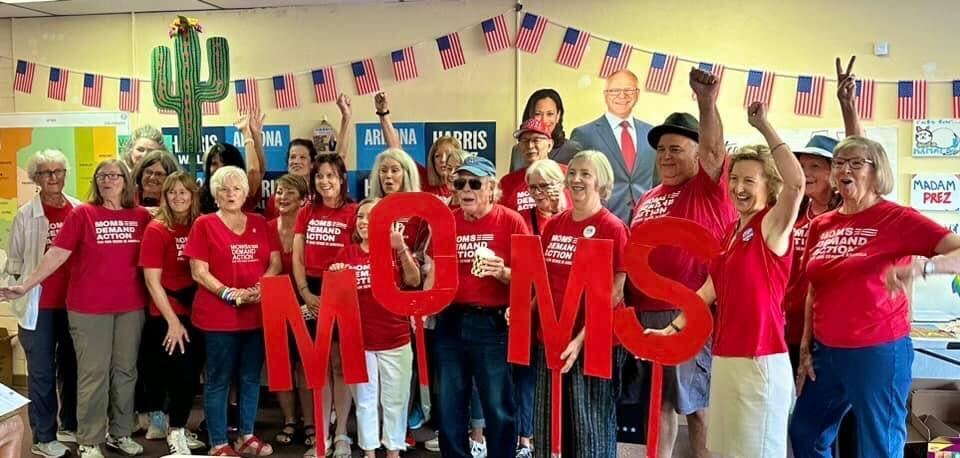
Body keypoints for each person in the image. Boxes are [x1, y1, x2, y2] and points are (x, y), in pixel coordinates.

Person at [646, 101, 805, 457]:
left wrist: (764, 125)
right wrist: (671, 332)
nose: (738, 187)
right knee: (724, 451)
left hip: (760, 361)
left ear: (769, 186)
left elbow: (796, 184)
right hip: (725, 358)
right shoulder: (733, 233)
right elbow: (706, 292)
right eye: (734, 179)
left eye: (749, 180)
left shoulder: (772, 226)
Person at [788, 132, 960, 456]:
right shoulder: (821, 225)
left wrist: (923, 269)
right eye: (839, 163)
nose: (844, 170)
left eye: (855, 162)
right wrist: (806, 350)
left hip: (878, 351)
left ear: (876, 170)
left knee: (877, 445)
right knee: (806, 433)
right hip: (826, 353)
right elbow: (814, 289)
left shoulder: (899, 218)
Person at [0, 159, 151, 458]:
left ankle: (119, 433)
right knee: (92, 375)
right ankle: (90, 440)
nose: (108, 181)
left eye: (114, 175)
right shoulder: (84, 213)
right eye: (102, 176)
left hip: (131, 307)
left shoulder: (141, 216)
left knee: (125, 372)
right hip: (89, 309)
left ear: (126, 180)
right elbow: (57, 254)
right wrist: (25, 285)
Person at [622, 68, 734, 458]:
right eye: (662, 149)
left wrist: (706, 101)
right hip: (646, 312)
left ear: (696, 153)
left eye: (676, 149)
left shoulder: (708, 187)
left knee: (696, 404)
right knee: (659, 404)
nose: (666, 156)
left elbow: (717, 150)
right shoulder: (649, 196)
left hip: (690, 311)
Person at [527, 150, 629, 457]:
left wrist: (581, 339)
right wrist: (523, 310)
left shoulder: (613, 228)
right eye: (572, 173)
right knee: (551, 425)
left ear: (601, 181)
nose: (576, 179)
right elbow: (543, 281)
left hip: (594, 343)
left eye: (585, 173)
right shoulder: (555, 225)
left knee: (590, 428)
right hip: (554, 338)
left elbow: (616, 292)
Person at [429, 156, 528, 458]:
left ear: (491, 187)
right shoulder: (448, 221)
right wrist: (424, 303)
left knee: (498, 407)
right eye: (460, 184)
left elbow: (529, 278)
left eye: (474, 183)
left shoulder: (511, 220)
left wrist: (503, 273)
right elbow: (434, 269)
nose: (466, 189)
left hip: (491, 323)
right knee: (448, 406)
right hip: (450, 321)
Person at [184, 165, 282, 456]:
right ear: (215, 193)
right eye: (224, 189)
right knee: (219, 379)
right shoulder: (204, 224)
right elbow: (198, 271)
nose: (230, 193)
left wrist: (260, 289)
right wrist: (228, 293)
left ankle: (247, 436)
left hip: (256, 313)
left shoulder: (260, 222)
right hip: (218, 316)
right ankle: (219, 443)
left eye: (236, 188)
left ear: (245, 192)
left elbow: (275, 263)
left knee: (251, 376)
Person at [4, 149, 81, 458]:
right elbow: (17, 262)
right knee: (41, 372)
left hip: (75, 303)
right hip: (40, 306)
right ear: (36, 178)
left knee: (73, 368)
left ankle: (69, 426)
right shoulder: (25, 214)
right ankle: (44, 436)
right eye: (46, 173)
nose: (53, 177)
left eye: (59, 171)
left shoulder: (79, 208)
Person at [331, 198, 419, 458]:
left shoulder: (394, 249)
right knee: (366, 403)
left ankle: (393, 452)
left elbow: (414, 281)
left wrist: (401, 248)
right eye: (360, 216)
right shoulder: (346, 253)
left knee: (395, 401)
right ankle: (369, 452)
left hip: (396, 338)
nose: (364, 221)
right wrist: (336, 273)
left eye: (371, 216)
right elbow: (335, 299)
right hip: (360, 340)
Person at [292, 152, 358, 458]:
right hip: (312, 291)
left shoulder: (353, 211)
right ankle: (322, 434)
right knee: (316, 366)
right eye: (320, 176)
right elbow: (297, 255)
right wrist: (305, 292)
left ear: (342, 178)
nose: (325, 181)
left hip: (343, 292)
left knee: (339, 365)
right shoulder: (307, 211)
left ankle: (342, 432)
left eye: (331, 175)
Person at [138, 171, 206, 455]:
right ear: (165, 196)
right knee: (179, 373)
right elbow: (152, 281)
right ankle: (175, 431)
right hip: (166, 312)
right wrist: (173, 322)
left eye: (184, 192)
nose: (178, 198)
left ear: (193, 195)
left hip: (197, 309)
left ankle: (178, 427)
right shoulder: (157, 229)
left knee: (191, 374)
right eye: (172, 192)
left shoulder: (199, 225)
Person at [271, 173, 322, 456]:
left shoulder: (311, 228)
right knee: (281, 364)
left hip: (307, 304)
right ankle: (289, 420)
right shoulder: (266, 228)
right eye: (279, 191)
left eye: (290, 192)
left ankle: (311, 422)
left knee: (306, 364)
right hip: (275, 305)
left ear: (304, 200)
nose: (283, 197)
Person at [570, 69, 656, 224]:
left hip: (645, 221)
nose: (622, 96)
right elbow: (574, 183)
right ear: (605, 94)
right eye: (615, 90)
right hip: (601, 222)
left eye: (628, 90)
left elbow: (657, 180)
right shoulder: (584, 134)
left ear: (637, 94)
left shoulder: (652, 133)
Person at [265, 94, 352, 219]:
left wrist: (346, 118)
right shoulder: (277, 198)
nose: (296, 161)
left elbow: (339, 158)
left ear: (312, 163)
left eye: (302, 157)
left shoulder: (321, 192)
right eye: (292, 157)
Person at [375, 91, 456, 200]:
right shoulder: (421, 176)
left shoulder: (465, 185)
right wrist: (383, 114)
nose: (443, 160)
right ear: (432, 160)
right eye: (438, 156)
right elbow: (397, 152)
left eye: (448, 155)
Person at [500, 119, 573, 219]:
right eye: (525, 141)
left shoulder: (570, 174)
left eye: (536, 140)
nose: (530, 146)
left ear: (550, 145)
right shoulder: (507, 182)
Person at [199, 112, 266, 214]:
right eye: (214, 163)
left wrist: (249, 134)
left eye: (225, 162)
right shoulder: (201, 194)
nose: (220, 168)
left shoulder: (244, 190)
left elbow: (256, 170)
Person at [509, 89, 582, 171]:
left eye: (550, 114)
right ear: (530, 114)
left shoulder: (573, 150)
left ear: (558, 116)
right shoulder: (517, 150)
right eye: (538, 114)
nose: (543, 120)